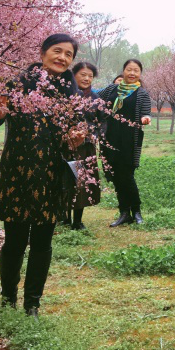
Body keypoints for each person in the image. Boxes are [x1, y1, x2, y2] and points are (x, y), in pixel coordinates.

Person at [0, 33, 84, 317]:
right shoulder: (19, 83)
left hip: (50, 174)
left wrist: (77, 137)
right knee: (14, 241)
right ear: (43, 52)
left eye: (68, 54)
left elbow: (74, 135)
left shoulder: (70, 92)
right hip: (18, 173)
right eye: (57, 51)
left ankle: (32, 303)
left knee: (42, 243)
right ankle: (8, 297)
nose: (62, 57)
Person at [99, 59, 152, 227]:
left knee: (128, 177)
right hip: (109, 139)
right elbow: (94, 98)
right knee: (115, 176)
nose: (132, 73)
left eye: (135, 70)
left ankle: (136, 211)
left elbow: (146, 112)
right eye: (129, 69)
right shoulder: (111, 89)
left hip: (129, 140)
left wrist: (145, 119)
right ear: (123, 71)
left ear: (140, 74)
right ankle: (124, 213)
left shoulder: (141, 93)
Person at [66, 61, 104, 230]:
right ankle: (64, 216)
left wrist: (95, 134)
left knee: (81, 182)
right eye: (83, 75)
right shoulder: (66, 94)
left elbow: (102, 121)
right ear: (74, 75)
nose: (87, 78)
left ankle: (77, 220)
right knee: (66, 179)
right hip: (66, 144)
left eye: (90, 76)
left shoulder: (96, 98)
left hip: (86, 146)